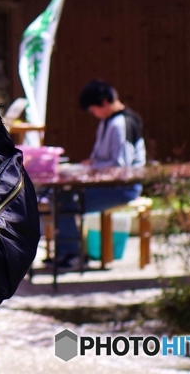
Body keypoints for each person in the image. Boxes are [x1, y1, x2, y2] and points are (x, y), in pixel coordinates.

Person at [55, 79, 145, 268]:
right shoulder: (108, 121)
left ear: (104, 102)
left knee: (67, 201)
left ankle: (72, 254)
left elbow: (120, 166)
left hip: (122, 187)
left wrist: (92, 168)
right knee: (62, 196)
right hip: (107, 183)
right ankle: (68, 252)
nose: (93, 113)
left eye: (93, 109)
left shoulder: (121, 124)